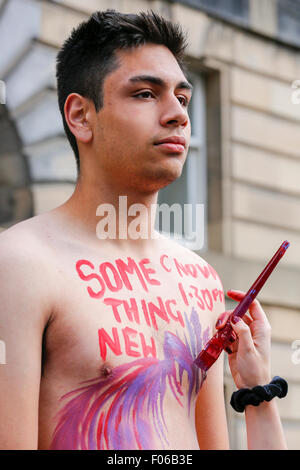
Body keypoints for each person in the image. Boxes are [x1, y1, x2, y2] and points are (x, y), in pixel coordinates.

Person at [0, 9, 287, 450]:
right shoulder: (20, 265)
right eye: (146, 94)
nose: (178, 116)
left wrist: (258, 390)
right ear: (80, 115)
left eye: (183, 98)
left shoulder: (199, 280)